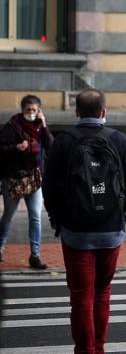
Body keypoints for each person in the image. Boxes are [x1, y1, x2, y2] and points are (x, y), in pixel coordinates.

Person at [42, 88, 126, 354]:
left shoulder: (64, 141)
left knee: (80, 296)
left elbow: (49, 186)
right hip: (110, 230)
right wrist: (124, 213)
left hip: (75, 232)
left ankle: (85, 350)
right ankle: (99, 348)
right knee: (102, 292)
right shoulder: (118, 139)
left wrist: (57, 219)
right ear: (104, 112)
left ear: (76, 112)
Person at [0, 95, 53, 268]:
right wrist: (16, 148)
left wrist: (44, 125)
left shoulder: (39, 127)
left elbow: (51, 146)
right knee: (8, 215)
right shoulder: (12, 126)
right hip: (14, 178)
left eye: (34, 110)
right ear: (22, 110)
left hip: (34, 178)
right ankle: (0, 246)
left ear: (39, 111)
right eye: (27, 110)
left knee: (35, 216)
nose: (30, 113)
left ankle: (35, 255)